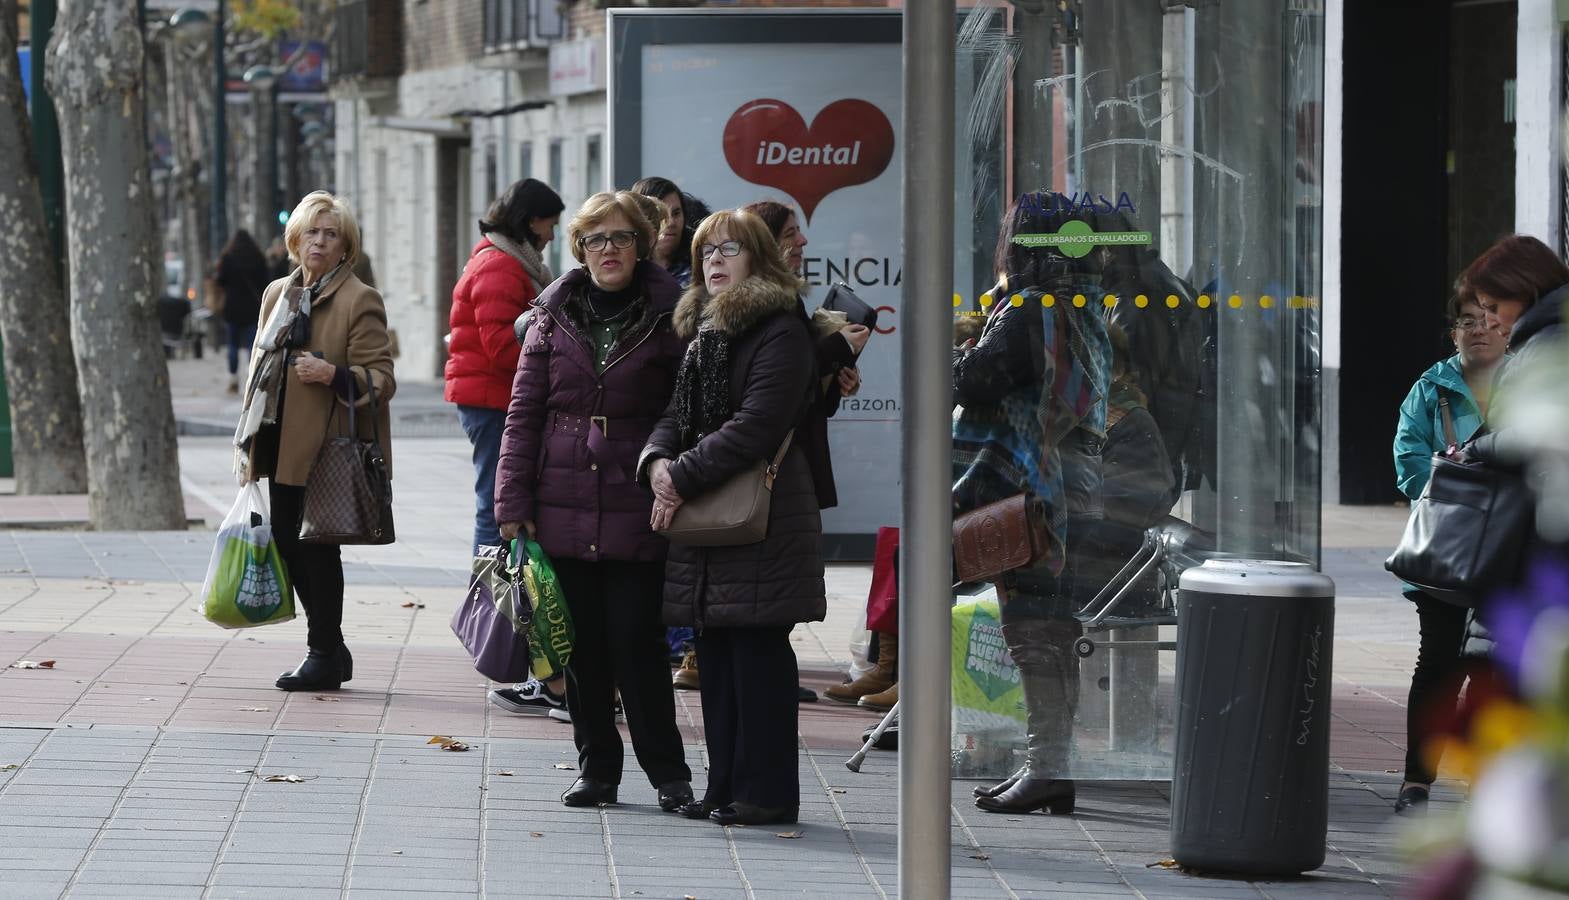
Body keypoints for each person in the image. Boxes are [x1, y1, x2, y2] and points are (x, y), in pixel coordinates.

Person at [493, 191, 693, 812]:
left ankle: (668, 773)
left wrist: (670, 470)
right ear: (579, 249)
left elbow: (685, 407)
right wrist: (512, 499)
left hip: (637, 491)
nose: (609, 250)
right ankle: (597, 769)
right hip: (561, 495)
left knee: (637, 641)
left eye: (621, 238)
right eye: (595, 240)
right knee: (578, 646)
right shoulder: (553, 313)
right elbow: (522, 412)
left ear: (642, 244)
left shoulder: (673, 312)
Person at [640, 208, 827, 827]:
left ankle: (767, 794)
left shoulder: (779, 326)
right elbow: (675, 413)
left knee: (757, 653)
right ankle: (722, 786)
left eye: (730, 249)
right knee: (717, 655)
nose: (715, 260)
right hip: (710, 514)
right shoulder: (703, 329)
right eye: (707, 251)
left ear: (759, 259)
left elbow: (757, 425)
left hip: (762, 513)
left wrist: (680, 477)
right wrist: (657, 464)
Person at [957, 192, 1113, 816]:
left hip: (1027, 491)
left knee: (1033, 631)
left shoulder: (1029, 308)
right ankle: (1048, 765)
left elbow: (975, 381)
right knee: (1050, 627)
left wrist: (953, 356)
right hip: (1066, 485)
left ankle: (1046, 765)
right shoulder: (1080, 304)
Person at [234, 191, 395, 692]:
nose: (319, 242)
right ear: (295, 239)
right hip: (277, 440)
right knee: (286, 543)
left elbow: (382, 379)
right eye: (312, 232)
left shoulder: (358, 298)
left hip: (325, 449)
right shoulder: (277, 293)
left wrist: (333, 375)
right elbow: (260, 369)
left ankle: (323, 652)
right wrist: (245, 443)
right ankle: (332, 647)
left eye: (331, 234)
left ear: (346, 245)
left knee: (316, 549)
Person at [443, 178, 568, 717]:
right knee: (497, 509)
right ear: (528, 219)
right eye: (549, 222)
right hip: (494, 400)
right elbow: (501, 344)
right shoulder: (500, 266)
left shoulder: (506, 259)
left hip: (490, 398)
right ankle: (494, 618)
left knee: (496, 506)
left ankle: (495, 616)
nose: (552, 233)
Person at [742, 199, 869, 704]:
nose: (803, 243)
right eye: (792, 233)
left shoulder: (784, 296)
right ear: (767, 243)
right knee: (772, 573)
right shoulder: (762, 301)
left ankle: (775, 669)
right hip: (774, 465)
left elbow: (804, 391)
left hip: (793, 459)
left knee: (783, 572)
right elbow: (777, 384)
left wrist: (836, 379)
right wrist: (837, 347)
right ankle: (768, 674)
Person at [1389, 295, 1508, 814]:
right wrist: (1455, 485)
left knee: (1492, 672)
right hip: (1449, 548)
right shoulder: (1429, 388)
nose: (1478, 331)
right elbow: (1407, 459)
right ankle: (1417, 779)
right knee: (1437, 666)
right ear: (1453, 333)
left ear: (1506, 332)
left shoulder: (1528, 385)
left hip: (1508, 547)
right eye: (1467, 323)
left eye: (1488, 323)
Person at [214, 230, 271, 394]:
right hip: (252, 308)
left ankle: (233, 379)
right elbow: (265, 283)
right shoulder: (258, 257)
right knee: (252, 345)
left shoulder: (228, 257)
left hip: (232, 307)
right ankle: (252, 377)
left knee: (232, 344)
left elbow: (220, 281)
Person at [632, 177, 697, 289]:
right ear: (639, 216)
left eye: (676, 213)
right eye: (660, 213)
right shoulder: (623, 266)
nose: (671, 222)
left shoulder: (703, 261)